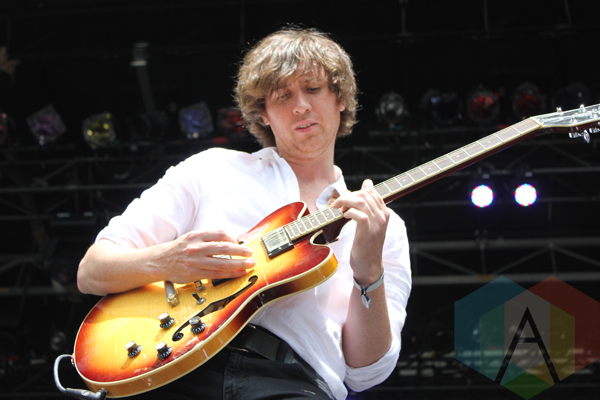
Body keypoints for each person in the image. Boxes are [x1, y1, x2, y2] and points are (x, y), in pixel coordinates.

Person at [77, 27, 412, 400]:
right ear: (262, 113)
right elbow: (92, 270)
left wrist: (369, 272)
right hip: (176, 369)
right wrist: (167, 260)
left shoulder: (382, 225)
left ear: (341, 99)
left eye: (313, 88)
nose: (301, 105)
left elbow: (366, 372)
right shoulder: (210, 168)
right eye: (282, 95)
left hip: (294, 382)